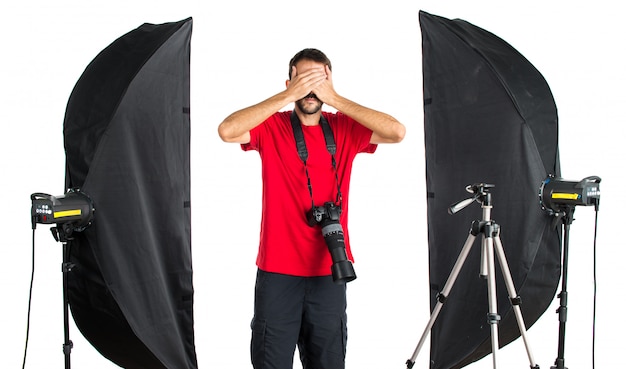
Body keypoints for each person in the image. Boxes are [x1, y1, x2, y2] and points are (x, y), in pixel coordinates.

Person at [217, 48, 405, 369]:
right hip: (277, 271)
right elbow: (227, 130)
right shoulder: (271, 127)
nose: (310, 89)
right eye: (303, 79)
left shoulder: (344, 127)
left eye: (318, 80)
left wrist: (336, 98)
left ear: (330, 81)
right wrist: (287, 95)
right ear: (289, 82)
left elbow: (397, 132)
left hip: (331, 269)